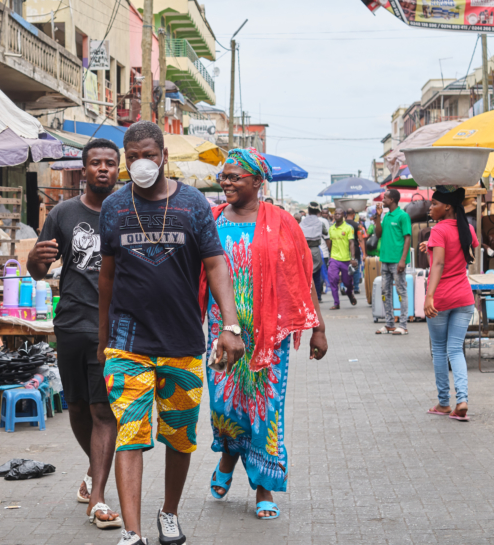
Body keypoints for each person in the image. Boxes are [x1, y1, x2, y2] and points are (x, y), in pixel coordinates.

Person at [97, 121, 244, 545]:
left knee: (179, 436)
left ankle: (169, 512)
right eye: (133, 156)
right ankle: (132, 531)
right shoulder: (114, 207)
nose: (140, 163)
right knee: (131, 433)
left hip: (181, 341)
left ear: (163, 156)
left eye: (148, 154)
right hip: (127, 344)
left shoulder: (193, 204)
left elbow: (216, 264)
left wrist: (230, 325)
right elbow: (107, 275)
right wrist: (103, 336)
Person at [204, 149, 328, 520]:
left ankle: (264, 486)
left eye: (235, 177)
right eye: (223, 176)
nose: (226, 182)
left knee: (265, 411)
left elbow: (301, 279)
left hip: (269, 336)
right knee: (225, 406)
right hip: (220, 331)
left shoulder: (282, 222)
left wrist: (318, 328)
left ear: (257, 182)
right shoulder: (210, 221)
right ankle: (227, 458)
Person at [28, 138, 122, 530]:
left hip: (115, 329)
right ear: (83, 170)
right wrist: (35, 259)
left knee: (104, 410)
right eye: (96, 163)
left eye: (110, 163)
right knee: (79, 409)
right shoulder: (63, 213)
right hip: (70, 322)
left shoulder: (129, 211)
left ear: (120, 169)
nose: (103, 168)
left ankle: (98, 496)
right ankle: (93, 468)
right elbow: (38, 269)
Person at [421, 187, 478, 422]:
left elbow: (439, 265)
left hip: (441, 299)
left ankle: (444, 403)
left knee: (440, 350)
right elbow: (460, 254)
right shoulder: (468, 228)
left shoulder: (438, 230)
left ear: (447, 207)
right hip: (464, 298)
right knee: (456, 350)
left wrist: (429, 296)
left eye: (434, 203)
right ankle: (462, 400)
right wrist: (430, 248)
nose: (430, 207)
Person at [374, 189, 412, 335]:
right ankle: (389, 324)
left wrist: (403, 260)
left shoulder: (403, 216)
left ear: (392, 200)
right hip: (385, 259)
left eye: (385, 198)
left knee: (401, 291)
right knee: (386, 291)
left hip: (397, 261)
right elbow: (378, 234)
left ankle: (403, 325)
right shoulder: (386, 216)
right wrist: (378, 217)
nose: (383, 200)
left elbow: (407, 238)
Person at [326, 208, 357, 310]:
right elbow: (330, 243)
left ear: (343, 215)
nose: (337, 215)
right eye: (335, 214)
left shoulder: (348, 228)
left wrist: (352, 258)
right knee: (333, 279)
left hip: (346, 259)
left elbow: (352, 243)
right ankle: (336, 303)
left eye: (339, 213)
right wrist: (331, 255)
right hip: (334, 258)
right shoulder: (331, 229)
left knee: (347, 282)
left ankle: (349, 293)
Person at [300, 202, 328, 301]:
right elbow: (326, 233)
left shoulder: (302, 222)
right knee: (316, 275)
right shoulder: (320, 222)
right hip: (315, 251)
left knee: (305, 276)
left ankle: (306, 297)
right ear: (318, 211)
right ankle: (318, 297)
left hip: (303, 251)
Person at [344, 210, 365, 294]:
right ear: (353, 215)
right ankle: (356, 288)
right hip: (355, 250)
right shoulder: (358, 226)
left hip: (344, 250)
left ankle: (344, 287)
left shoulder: (342, 225)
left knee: (344, 269)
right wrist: (364, 254)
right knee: (356, 269)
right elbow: (361, 240)